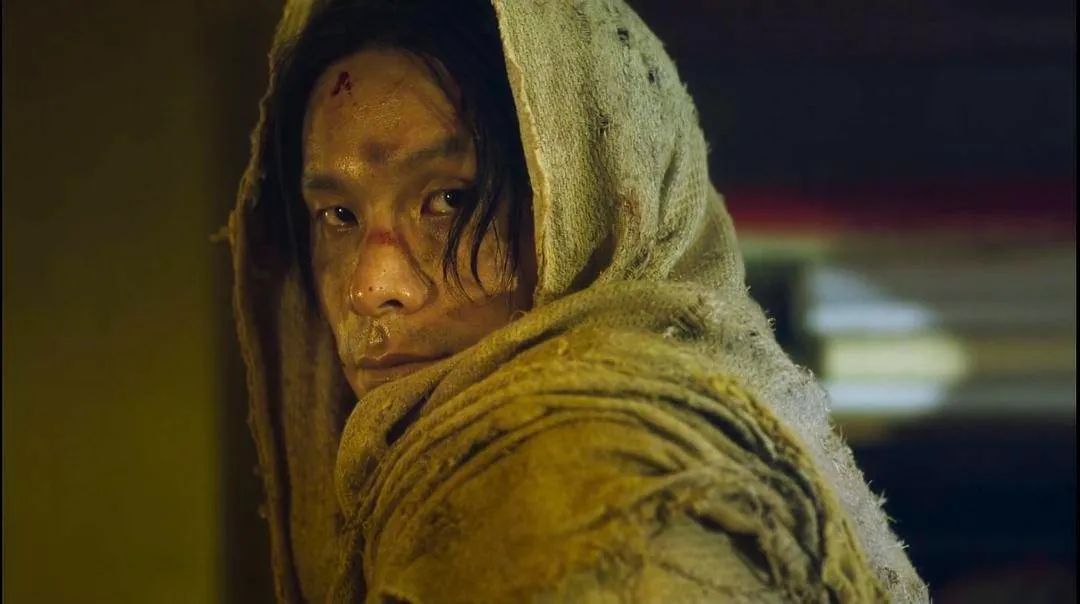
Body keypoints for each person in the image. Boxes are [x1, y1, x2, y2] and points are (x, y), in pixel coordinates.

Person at [228, 0, 928, 602]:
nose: (371, 286)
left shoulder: (579, 473)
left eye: (450, 200)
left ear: (596, 205)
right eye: (339, 216)